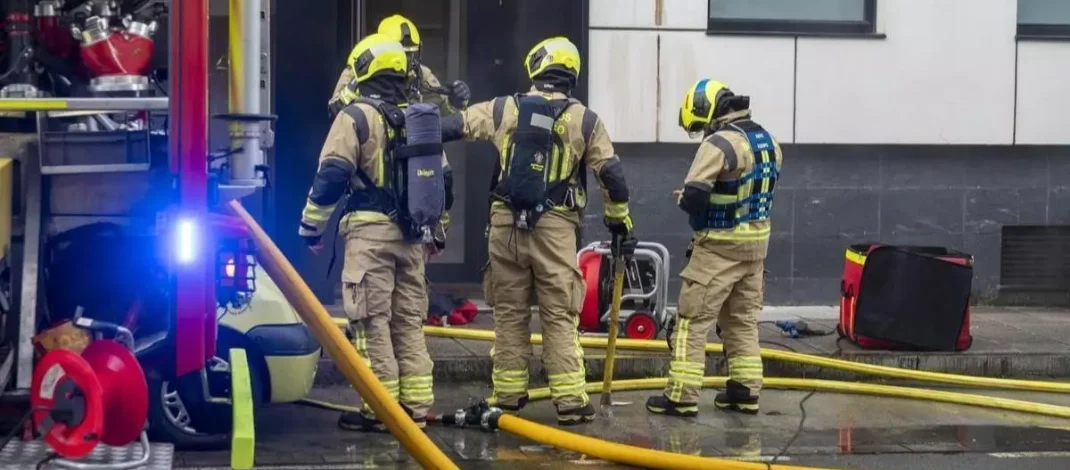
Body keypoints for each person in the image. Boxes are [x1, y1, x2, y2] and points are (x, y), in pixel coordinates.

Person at [440, 36, 635, 426]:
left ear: (535, 66)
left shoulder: (504, 108)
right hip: (555, 228)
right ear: (571, 74)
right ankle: (570, 401)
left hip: (504, 226)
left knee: (509, 313)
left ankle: (508, 396)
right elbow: (610, 174)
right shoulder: (586, 119)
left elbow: (455, 127)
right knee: (559, 314)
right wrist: (620, 220)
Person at [299, 33, 452, 432]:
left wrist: (311, 227)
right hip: (413, 236)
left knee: (370, 323)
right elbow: (444, 182)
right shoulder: (421, 120)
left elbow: (332, 174)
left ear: (363, 70)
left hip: (369, 236)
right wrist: (437, 231)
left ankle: (381, 411)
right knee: (407, 323)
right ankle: (416, 407)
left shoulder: (355, 117)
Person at [646, 79, 782, 417]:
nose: (701, 131)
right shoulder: (770, 142)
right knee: (741, 322)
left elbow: (695, 195)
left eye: (699, 125)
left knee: (692, 322)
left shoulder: (719, 144)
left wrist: (686, 202)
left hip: (719, 248)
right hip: (756, 250)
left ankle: (681, 396)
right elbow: (747, 192)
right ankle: (745, 391)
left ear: (707, 113)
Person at [328, 14, 470, 119]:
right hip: (368, 141)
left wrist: (455, 102)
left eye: (412, 54)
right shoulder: (359, 70)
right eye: (403, 54)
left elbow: (446, 114)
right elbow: (334, 111)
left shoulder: (420, 74)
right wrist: (355, 88)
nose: (408, 62)